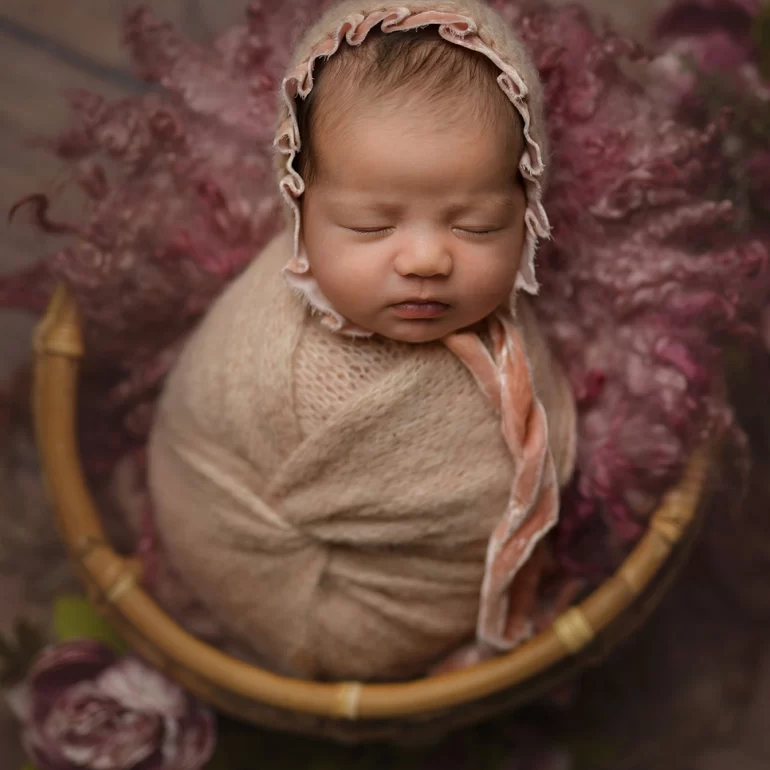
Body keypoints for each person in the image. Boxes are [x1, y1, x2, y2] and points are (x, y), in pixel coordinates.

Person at [147, 0, 577, 682]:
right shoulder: (264, 335)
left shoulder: (513, 339)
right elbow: (195, 430)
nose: (426, 260)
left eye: (476, 226)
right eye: (371, 226)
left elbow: (535, 460)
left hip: (417, 594)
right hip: (234, 540)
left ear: (527, 211)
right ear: (299, 207)